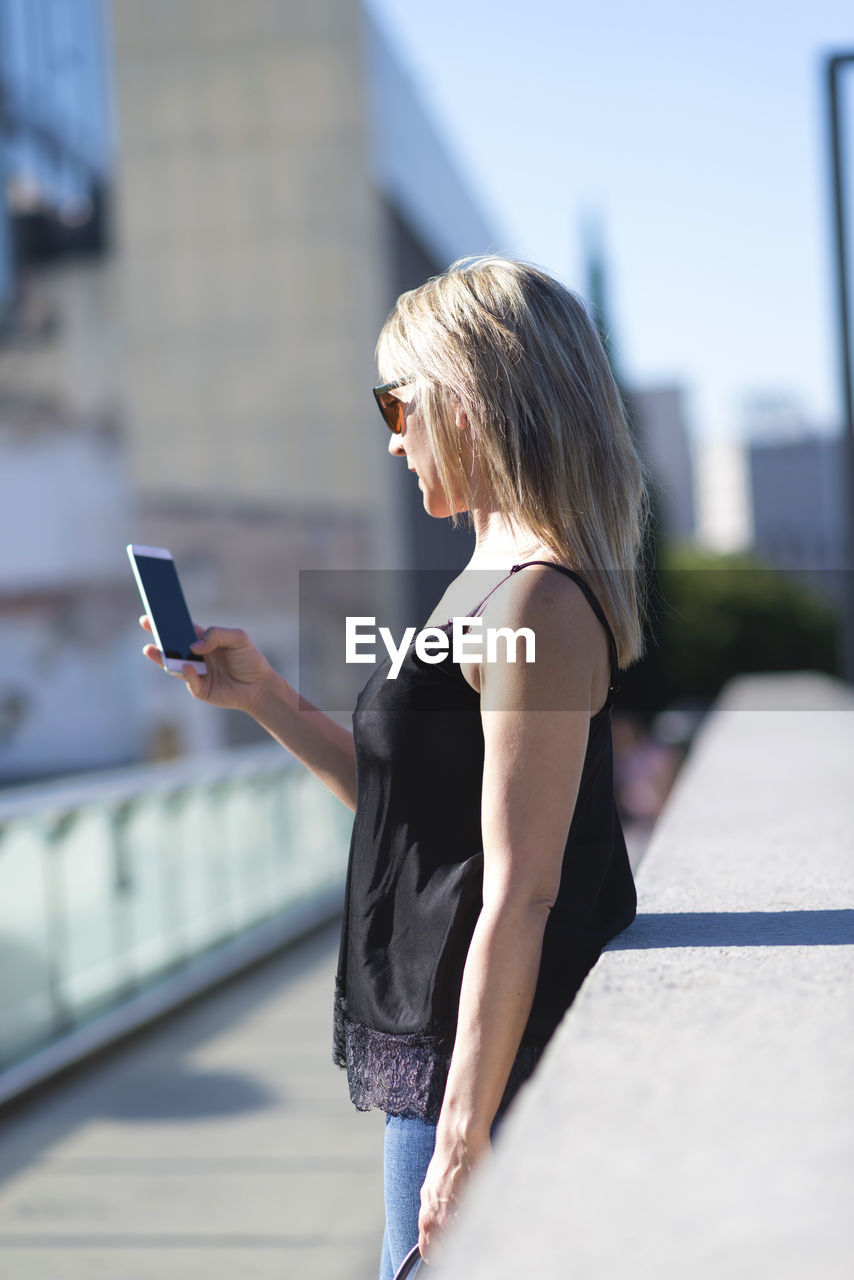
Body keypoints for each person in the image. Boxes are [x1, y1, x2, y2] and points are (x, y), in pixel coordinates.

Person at [139, 256, 652, 1277]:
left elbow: (522, 889)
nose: (390, 434)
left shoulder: (537, 600)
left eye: (396, 401)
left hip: (482, 1063)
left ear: (467, 402)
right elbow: (413, 812)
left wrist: (462, 1138)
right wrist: (267, 697)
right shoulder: (483, 574)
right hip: (439, 1046)